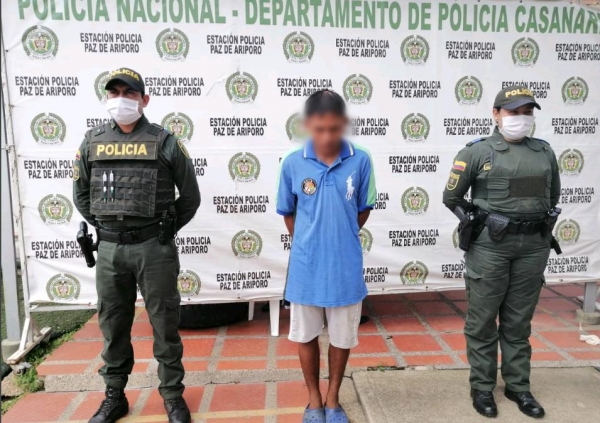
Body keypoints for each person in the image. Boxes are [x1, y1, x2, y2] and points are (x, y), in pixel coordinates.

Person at [73, 68, 200, 423]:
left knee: (164, 323)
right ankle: (114, 396)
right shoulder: (92, 141)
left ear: (144, 99)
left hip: (153, 248)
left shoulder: (165, 141)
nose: (121, 99)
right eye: (114, 93)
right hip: (111, 250)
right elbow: (81, 195)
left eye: (129, 93)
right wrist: (107, 227)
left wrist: (164, 228)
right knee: (113, 325)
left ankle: (173, 396)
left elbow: (189, 197)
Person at [443, 85, 561, 419]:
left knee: (518, 322)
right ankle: (482, 387)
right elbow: (451, 198)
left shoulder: (543, 153)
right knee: (482, 321)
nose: (521, 119)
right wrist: (476, 221)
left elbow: (552, 197)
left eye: (527, 113)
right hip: (490, 248)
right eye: (513, 112)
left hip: (533, 246)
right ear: (496, 115)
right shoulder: (477, 153)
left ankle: (518, 387)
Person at [276, 90, 376, 423]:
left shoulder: (360, 160)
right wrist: (310, 240)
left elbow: (362, 209)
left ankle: (333, 399)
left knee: (342, 337)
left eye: (334, 128)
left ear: (343, 125)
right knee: (304, 336)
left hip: (345, 267)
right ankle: (314, 400)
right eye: (319, 129)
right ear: (307, 126)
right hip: (306, 268)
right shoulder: (292, 163)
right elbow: (288, 213)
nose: (327, 136)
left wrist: (339, 236)